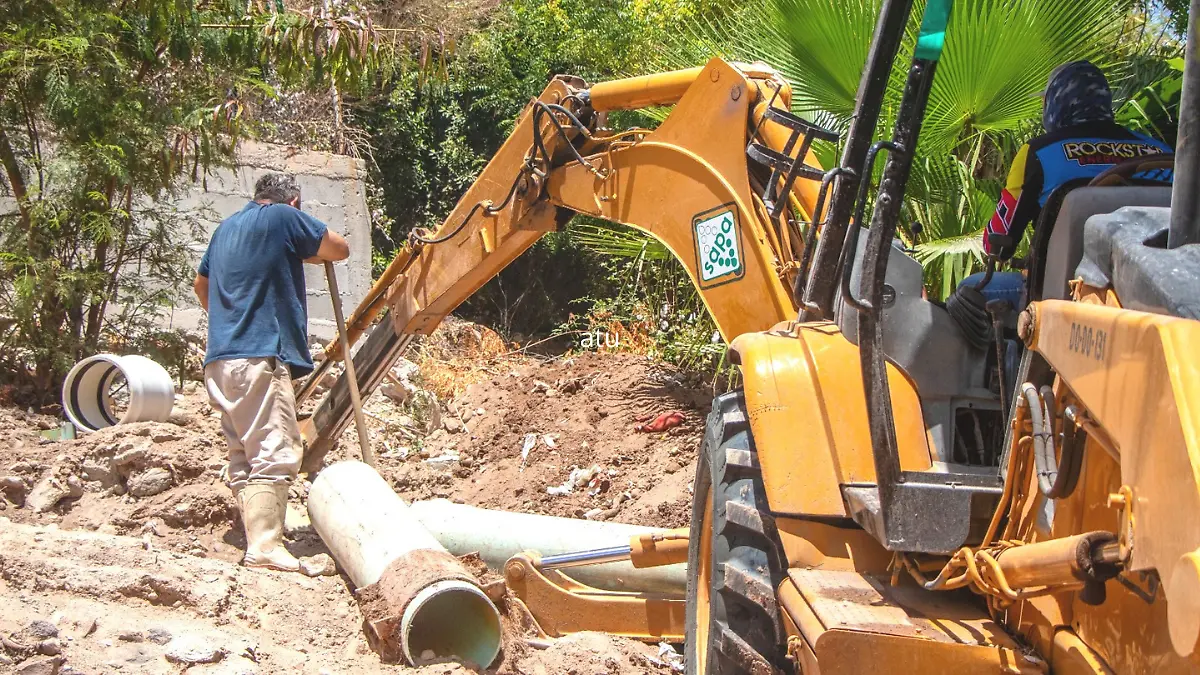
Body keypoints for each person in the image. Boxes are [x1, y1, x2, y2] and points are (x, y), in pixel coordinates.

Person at [193, 173, 349, 572]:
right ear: (293, 201)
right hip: (259, 357)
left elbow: (200, 286)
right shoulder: (282, 216)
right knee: (276, 451)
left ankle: (255, 539)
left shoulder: (225, 230)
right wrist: (305, 250)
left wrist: (230, 322)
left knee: (243, 455)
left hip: (220, 360)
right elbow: (339, 248)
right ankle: (264, 547)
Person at [962, 60, 1174, 308]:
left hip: (1058, 295)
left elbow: (996, 244)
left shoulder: (1038, 152)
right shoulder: (1161, 152)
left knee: (968, 289)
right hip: (1158, 298)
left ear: (1056, 103)